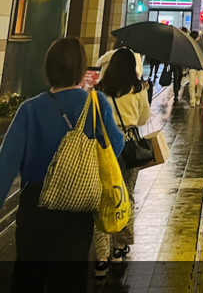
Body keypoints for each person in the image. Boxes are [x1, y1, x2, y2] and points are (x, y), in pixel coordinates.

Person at [0, 37, 124, 293]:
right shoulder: (96, 104)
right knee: (70, 280)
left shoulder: (29, 110)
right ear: (81, 70)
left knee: (27, 278)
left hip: (35, 208)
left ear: (48, 68)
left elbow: (5, 166)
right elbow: (116, 146)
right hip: (77, 211)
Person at [93, 48, 151, 277]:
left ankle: (100, 258)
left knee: (103, 196)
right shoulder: (138, 90)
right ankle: (119, 248)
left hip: (105, 147)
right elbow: (143, 119)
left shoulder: (100, 91)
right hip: (129, 148)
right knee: (126, 194)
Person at [189, 30, 203, 106]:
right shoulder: (190, 43)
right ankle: (192, 100)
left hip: (202, 66)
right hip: (192, 65)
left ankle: (198, 96)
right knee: (191, 84)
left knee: (201, 84)